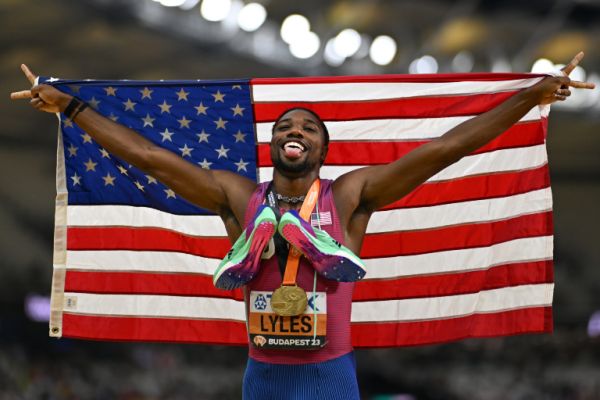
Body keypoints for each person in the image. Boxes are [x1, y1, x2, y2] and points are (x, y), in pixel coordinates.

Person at [10, 53, 595, 399]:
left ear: (322, 146)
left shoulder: (352, 194)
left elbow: (448, 147)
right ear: (272, 143)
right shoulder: (239, 196)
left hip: (330, 378)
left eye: (309, 126)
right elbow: (153, 160)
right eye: (286, 123)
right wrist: (73, 109)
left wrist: (531, 97)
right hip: (260, 377)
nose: (295, 128)